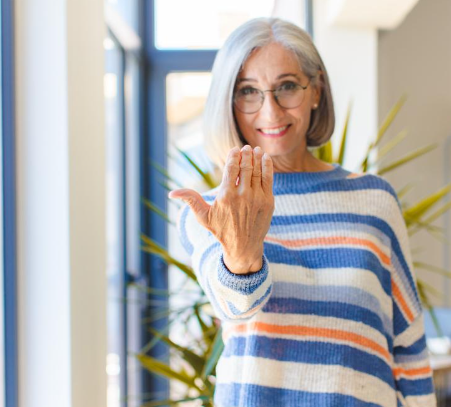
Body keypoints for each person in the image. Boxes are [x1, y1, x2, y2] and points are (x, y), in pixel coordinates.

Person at [169, 17, 436, 407]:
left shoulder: (373, 199)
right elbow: (237, 304)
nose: (271, 111)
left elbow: (408, 342)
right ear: (228, 102)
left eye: (287, 86)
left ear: (316, 91)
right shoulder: (212, 210)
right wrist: (241, 254)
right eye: (248, 91)